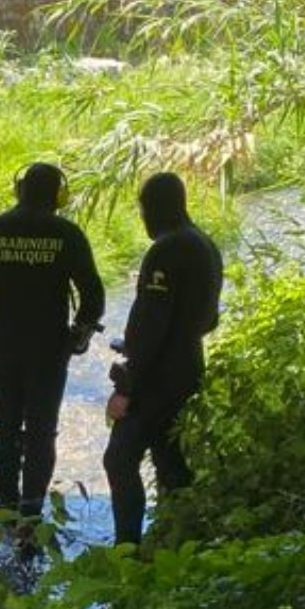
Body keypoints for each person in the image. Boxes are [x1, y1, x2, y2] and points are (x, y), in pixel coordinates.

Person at [0, 161, 104, 523]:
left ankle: (5, 507)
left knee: (4, 426)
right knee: (42, 430)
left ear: (19, 190)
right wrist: (79, 336)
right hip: (50, 350)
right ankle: (32, 511)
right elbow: (94, 296)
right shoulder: (67, 235)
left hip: (1, 348)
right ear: (59, 197)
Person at [103, 171, 225, 544]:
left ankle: (127, 547)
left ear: (152, 208)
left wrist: (127, 382)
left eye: (142, 210)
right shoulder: (205, 244)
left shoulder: (167, 249)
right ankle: (181, 538)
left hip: (159, 374)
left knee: (120, 458)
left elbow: (152, 318)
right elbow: (208, 318)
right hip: (188, 363)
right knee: (169, 458)